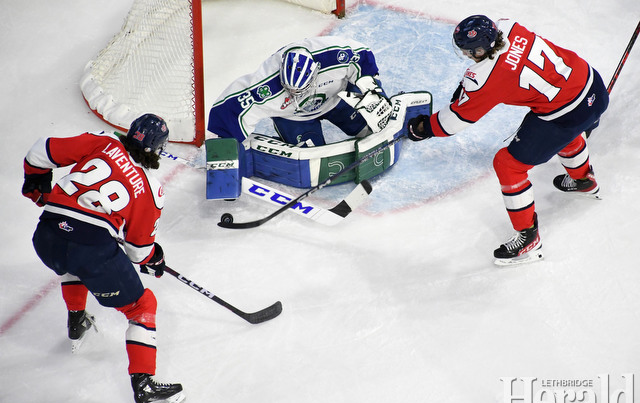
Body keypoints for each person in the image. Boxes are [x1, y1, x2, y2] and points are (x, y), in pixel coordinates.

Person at [406, 15, 609, 266]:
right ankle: (583, 180)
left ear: (480, 49)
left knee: (508, 164)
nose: (468, 55)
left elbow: (454, 122)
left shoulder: (485, 79)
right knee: (563, 130)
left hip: (568, 112)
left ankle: (528, 241)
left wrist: (424, 128)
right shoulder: (510, 25)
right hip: (592, 85)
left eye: (470, 51)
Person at [21, 114, 185, 403]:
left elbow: (40, 151)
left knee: (71, 262)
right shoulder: (151, 189)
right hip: (90, 249)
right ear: (158, 149)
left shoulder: (104, 141)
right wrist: (155, 258)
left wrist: (35, 181)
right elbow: (139, 252)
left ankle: (76, 321)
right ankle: (145, 386)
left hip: (46, 237)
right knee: (142, 306)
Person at [207, 35, 392, 147]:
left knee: (373, 129)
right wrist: (225, 152)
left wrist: (373, 90)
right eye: (291, 90)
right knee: (313, 159)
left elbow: (361, 57)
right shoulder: (265, 85)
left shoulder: (333, 55)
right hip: (294, 116)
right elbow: (231, 108)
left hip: (335, 99)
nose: (297, 95)